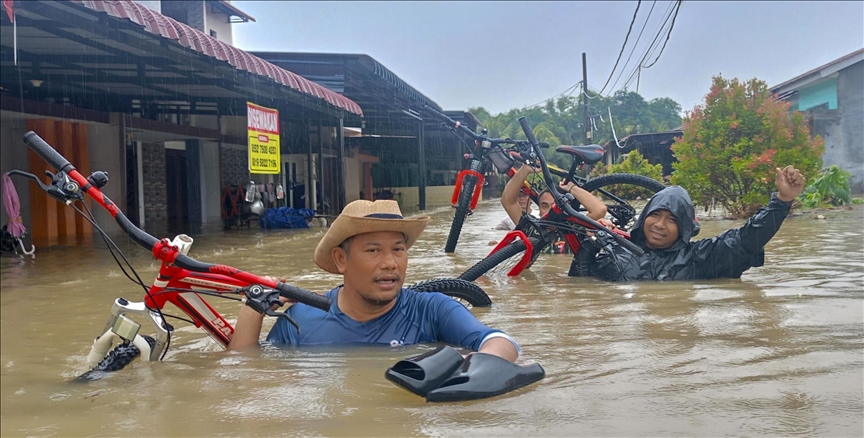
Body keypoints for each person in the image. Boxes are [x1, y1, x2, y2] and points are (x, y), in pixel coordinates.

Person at [228, 199, 520, 362]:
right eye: (373, 250)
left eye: (398, 249)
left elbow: (499, 341)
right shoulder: (301, 319)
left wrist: (470, 372)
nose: (390, 263)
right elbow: (248, 376)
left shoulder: (432, 310)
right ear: (341, 260)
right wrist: (252, 309)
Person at [570, 165, 807, 281]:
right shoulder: (614, 249)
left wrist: (782, 201)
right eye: (655, 215)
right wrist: (590, 245)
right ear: (644, 217)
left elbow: (746, 240)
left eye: (672, 220)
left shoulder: (700, 258)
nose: (660, 225)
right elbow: (579, 290)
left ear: (684, 227)